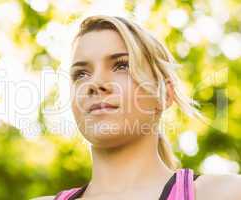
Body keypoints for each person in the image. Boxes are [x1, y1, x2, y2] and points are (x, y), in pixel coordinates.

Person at [33, 15, 241, 200]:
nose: (95, 84)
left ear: (165, 95)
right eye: (81, 74)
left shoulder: (226, 193)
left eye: (122, 66)